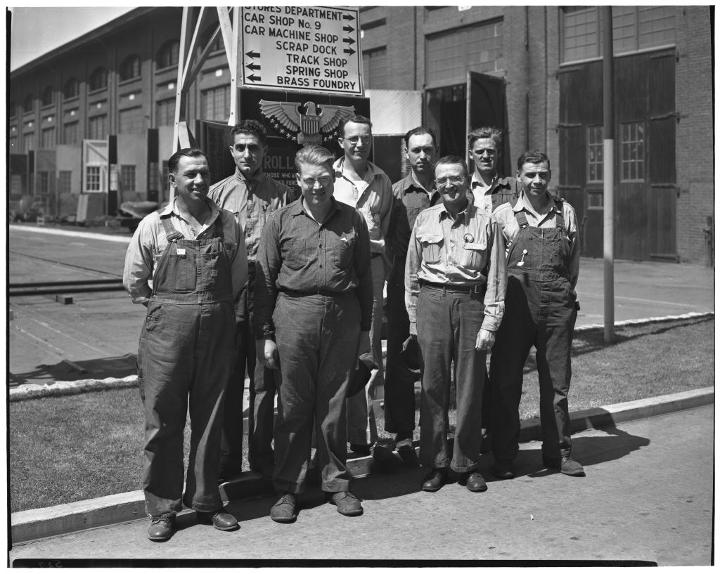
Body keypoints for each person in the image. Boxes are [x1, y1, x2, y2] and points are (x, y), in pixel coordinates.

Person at [123, 148, 248, 541]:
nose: (199, 181)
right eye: (190, 174)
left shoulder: (228, 223)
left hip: (216, 331)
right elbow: (134, 280)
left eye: (204, 173)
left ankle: (207, 502)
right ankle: (162, 509)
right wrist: (167, 308)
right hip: (166, 337)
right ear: (173, 179)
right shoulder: (153, 225)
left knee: (211, 419)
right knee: (162, 420)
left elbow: (239, 277)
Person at [254, 144, 373, 522]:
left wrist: (365, 332)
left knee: (334, 405)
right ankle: (288, 488)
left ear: (334, 178)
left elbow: (365, 280)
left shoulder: (353, 220)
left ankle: (336, 483)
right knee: (292, 405)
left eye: (324, 179)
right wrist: (266, 335)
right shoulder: (281, 221)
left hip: (342, 316)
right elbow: (265, 282)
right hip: (294, 315)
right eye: (310, 180)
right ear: (298, 180)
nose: (317, 186)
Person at [405, 155, 506, 493]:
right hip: (431, 303)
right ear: (435, 183)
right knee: (432, 387)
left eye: (456, 179)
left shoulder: (487, 222)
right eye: (443, 179)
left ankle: (466, 463)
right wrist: (414, 320)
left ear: (467, 181)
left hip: (470, 303)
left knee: (470, 386)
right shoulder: (424, 219)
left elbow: (495, 277)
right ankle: (435, 463)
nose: (449, 185)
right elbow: (411, 275)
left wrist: (490, 323)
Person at [209, 119, 296, 481]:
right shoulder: (215, 194)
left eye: (254, 147)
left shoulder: (283, 194)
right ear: (232, 151)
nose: (247, 153)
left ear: (265, 152)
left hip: (265, 292)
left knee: (264, 380)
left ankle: (261, 454)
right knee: (227, 380)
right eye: (241, 147)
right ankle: (228, 459)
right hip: (228, 294)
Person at [490, 150, 585, 479]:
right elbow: (495, 270)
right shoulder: (503, 215)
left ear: (550, 175)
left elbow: (572, 265)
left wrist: (560, 294)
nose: (537, 181)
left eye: (543, 174)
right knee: (505, 382)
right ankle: (503, 457)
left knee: (557, 384)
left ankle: (559, 454)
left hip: (557, 309)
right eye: (530, 174)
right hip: (515, 309)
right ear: (518, 176)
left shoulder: (565, 212)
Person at [332, 115, 393, 456]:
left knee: (366, 355)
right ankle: (332, 436)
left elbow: (382, 232)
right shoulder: (330, 176)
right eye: (353, 139)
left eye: (365, 138)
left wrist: (372, 248)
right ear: (341, 141)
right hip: (337, 274)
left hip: (370, 274)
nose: (359, 144)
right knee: (335, 352)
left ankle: (361, 436)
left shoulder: (382, 180)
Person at [380, 126, 440, 465]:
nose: (422, 156)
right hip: (405, 289)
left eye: (427, 149)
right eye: (415, 150)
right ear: (406, 152)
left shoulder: (449, 187)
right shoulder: (395, 193)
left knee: (439, 361)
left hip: (444, 288)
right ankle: (402, 435)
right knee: (401, 362)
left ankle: (437, 431)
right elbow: (385, 239)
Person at [467, 126, 519, 215]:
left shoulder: (515, 187)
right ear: (471, 155)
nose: (486, 156)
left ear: (498, 153)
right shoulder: (462, 187)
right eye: (480, 152)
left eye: (490, 151)